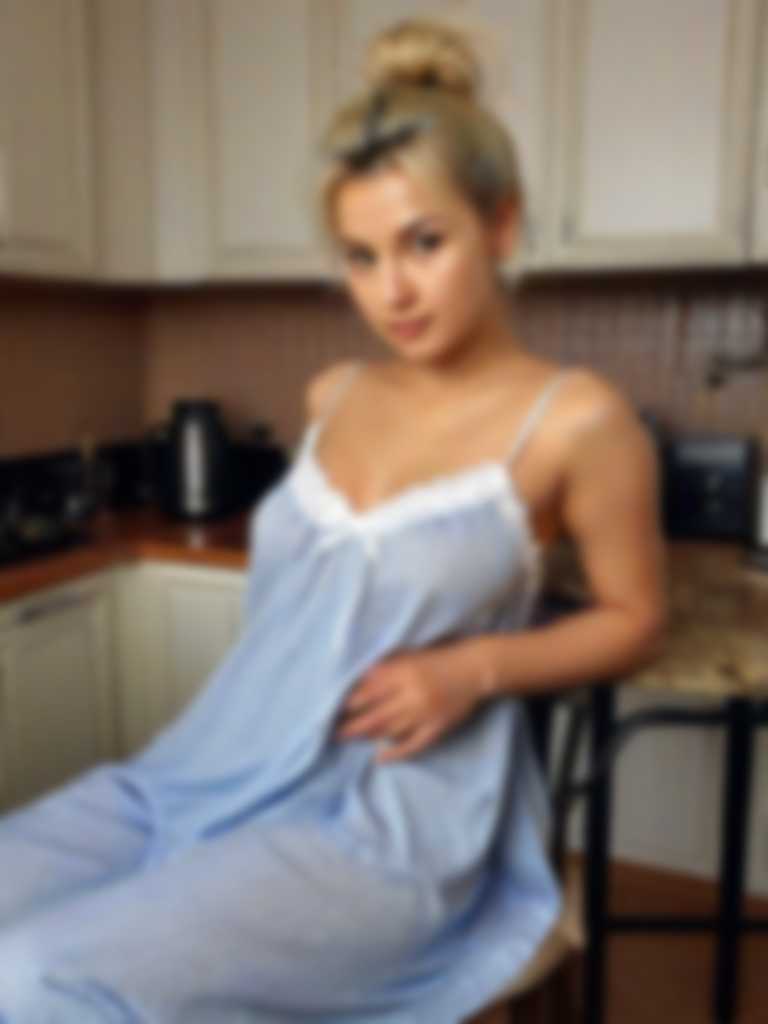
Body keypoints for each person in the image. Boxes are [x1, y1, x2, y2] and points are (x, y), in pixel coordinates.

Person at [0, 17, 667, 1024]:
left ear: (501, 226)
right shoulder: (335, 392)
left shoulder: (576, 420)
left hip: (386, 821)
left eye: (424, 243)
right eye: (360, 257)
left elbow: (636, 618)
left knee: (40, 975)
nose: (391, 291)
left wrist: (473, 669)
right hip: (203, 765)